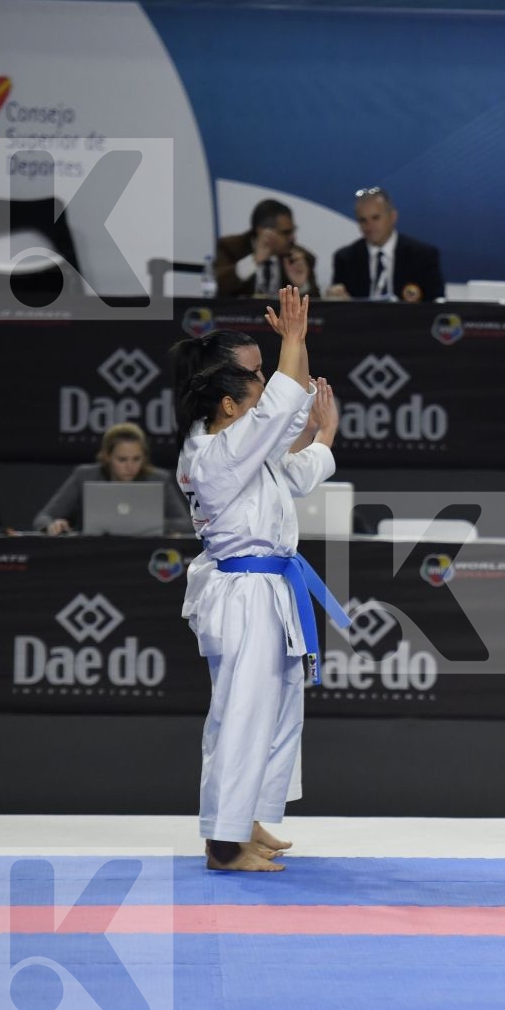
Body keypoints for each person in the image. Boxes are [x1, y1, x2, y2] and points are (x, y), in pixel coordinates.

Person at [171, 286, 347, 873]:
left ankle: (244, 820)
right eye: (257, 379)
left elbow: (290, 460)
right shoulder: (212, 454)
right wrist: (294, 340)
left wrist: (323, 438)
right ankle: (224, 844)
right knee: (243, 716)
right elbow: (280, 414)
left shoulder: (233, 446)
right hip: (245, 593)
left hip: (265, 592)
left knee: (270, 712)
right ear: (226, 402)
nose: (268, 383)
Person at [33, 422, 191, 535]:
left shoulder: (158, 479)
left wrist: (151, 524)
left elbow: (186, 524)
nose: (130, 466)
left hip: (143, 552)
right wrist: (52, 525)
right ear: (107, 456)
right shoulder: (84, 476)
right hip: (92, 551)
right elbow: (43, 518)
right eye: (122, 460)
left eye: (136, 459)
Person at [329, 187, 443, 302]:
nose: (369, 226)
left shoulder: (422, 256)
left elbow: (436, 304)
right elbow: (339, 307)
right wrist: (335, 298)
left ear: (393, 217)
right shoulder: (345, 259)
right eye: (363, 220)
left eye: (376, 218)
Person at [213, 199, 318, 299]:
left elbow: (320, 310)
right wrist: (253, 261)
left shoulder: (300, 257)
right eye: (286, 233)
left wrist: (302, 286)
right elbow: (217, 288)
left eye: (293, 231)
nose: (293, 238)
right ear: (263, 232)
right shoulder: (231, 247)